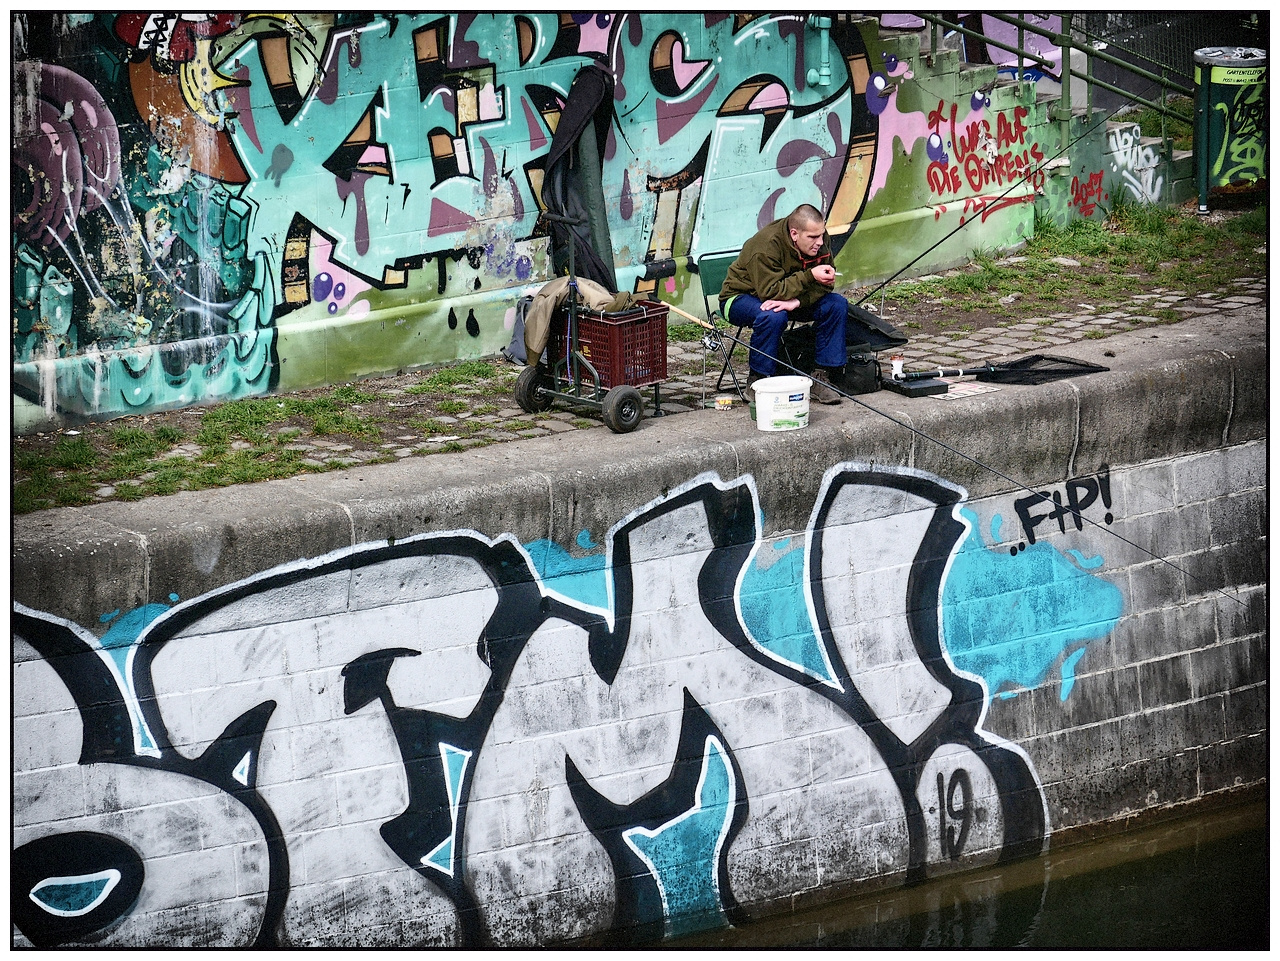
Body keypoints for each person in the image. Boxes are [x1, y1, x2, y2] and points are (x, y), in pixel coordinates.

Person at [718, 204, 847, 405]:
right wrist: (809, 276)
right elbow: (770, 292)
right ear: (794, 234)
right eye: (813, 238)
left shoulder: (819, 238)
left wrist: (798, 302)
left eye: (821, 235)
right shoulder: (767, 245)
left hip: (789, 298)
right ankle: (758, 381)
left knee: (836, 304)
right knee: (772, 315)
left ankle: (822, 376)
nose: (820, 242)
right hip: (742, 297)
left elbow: (825, 284)